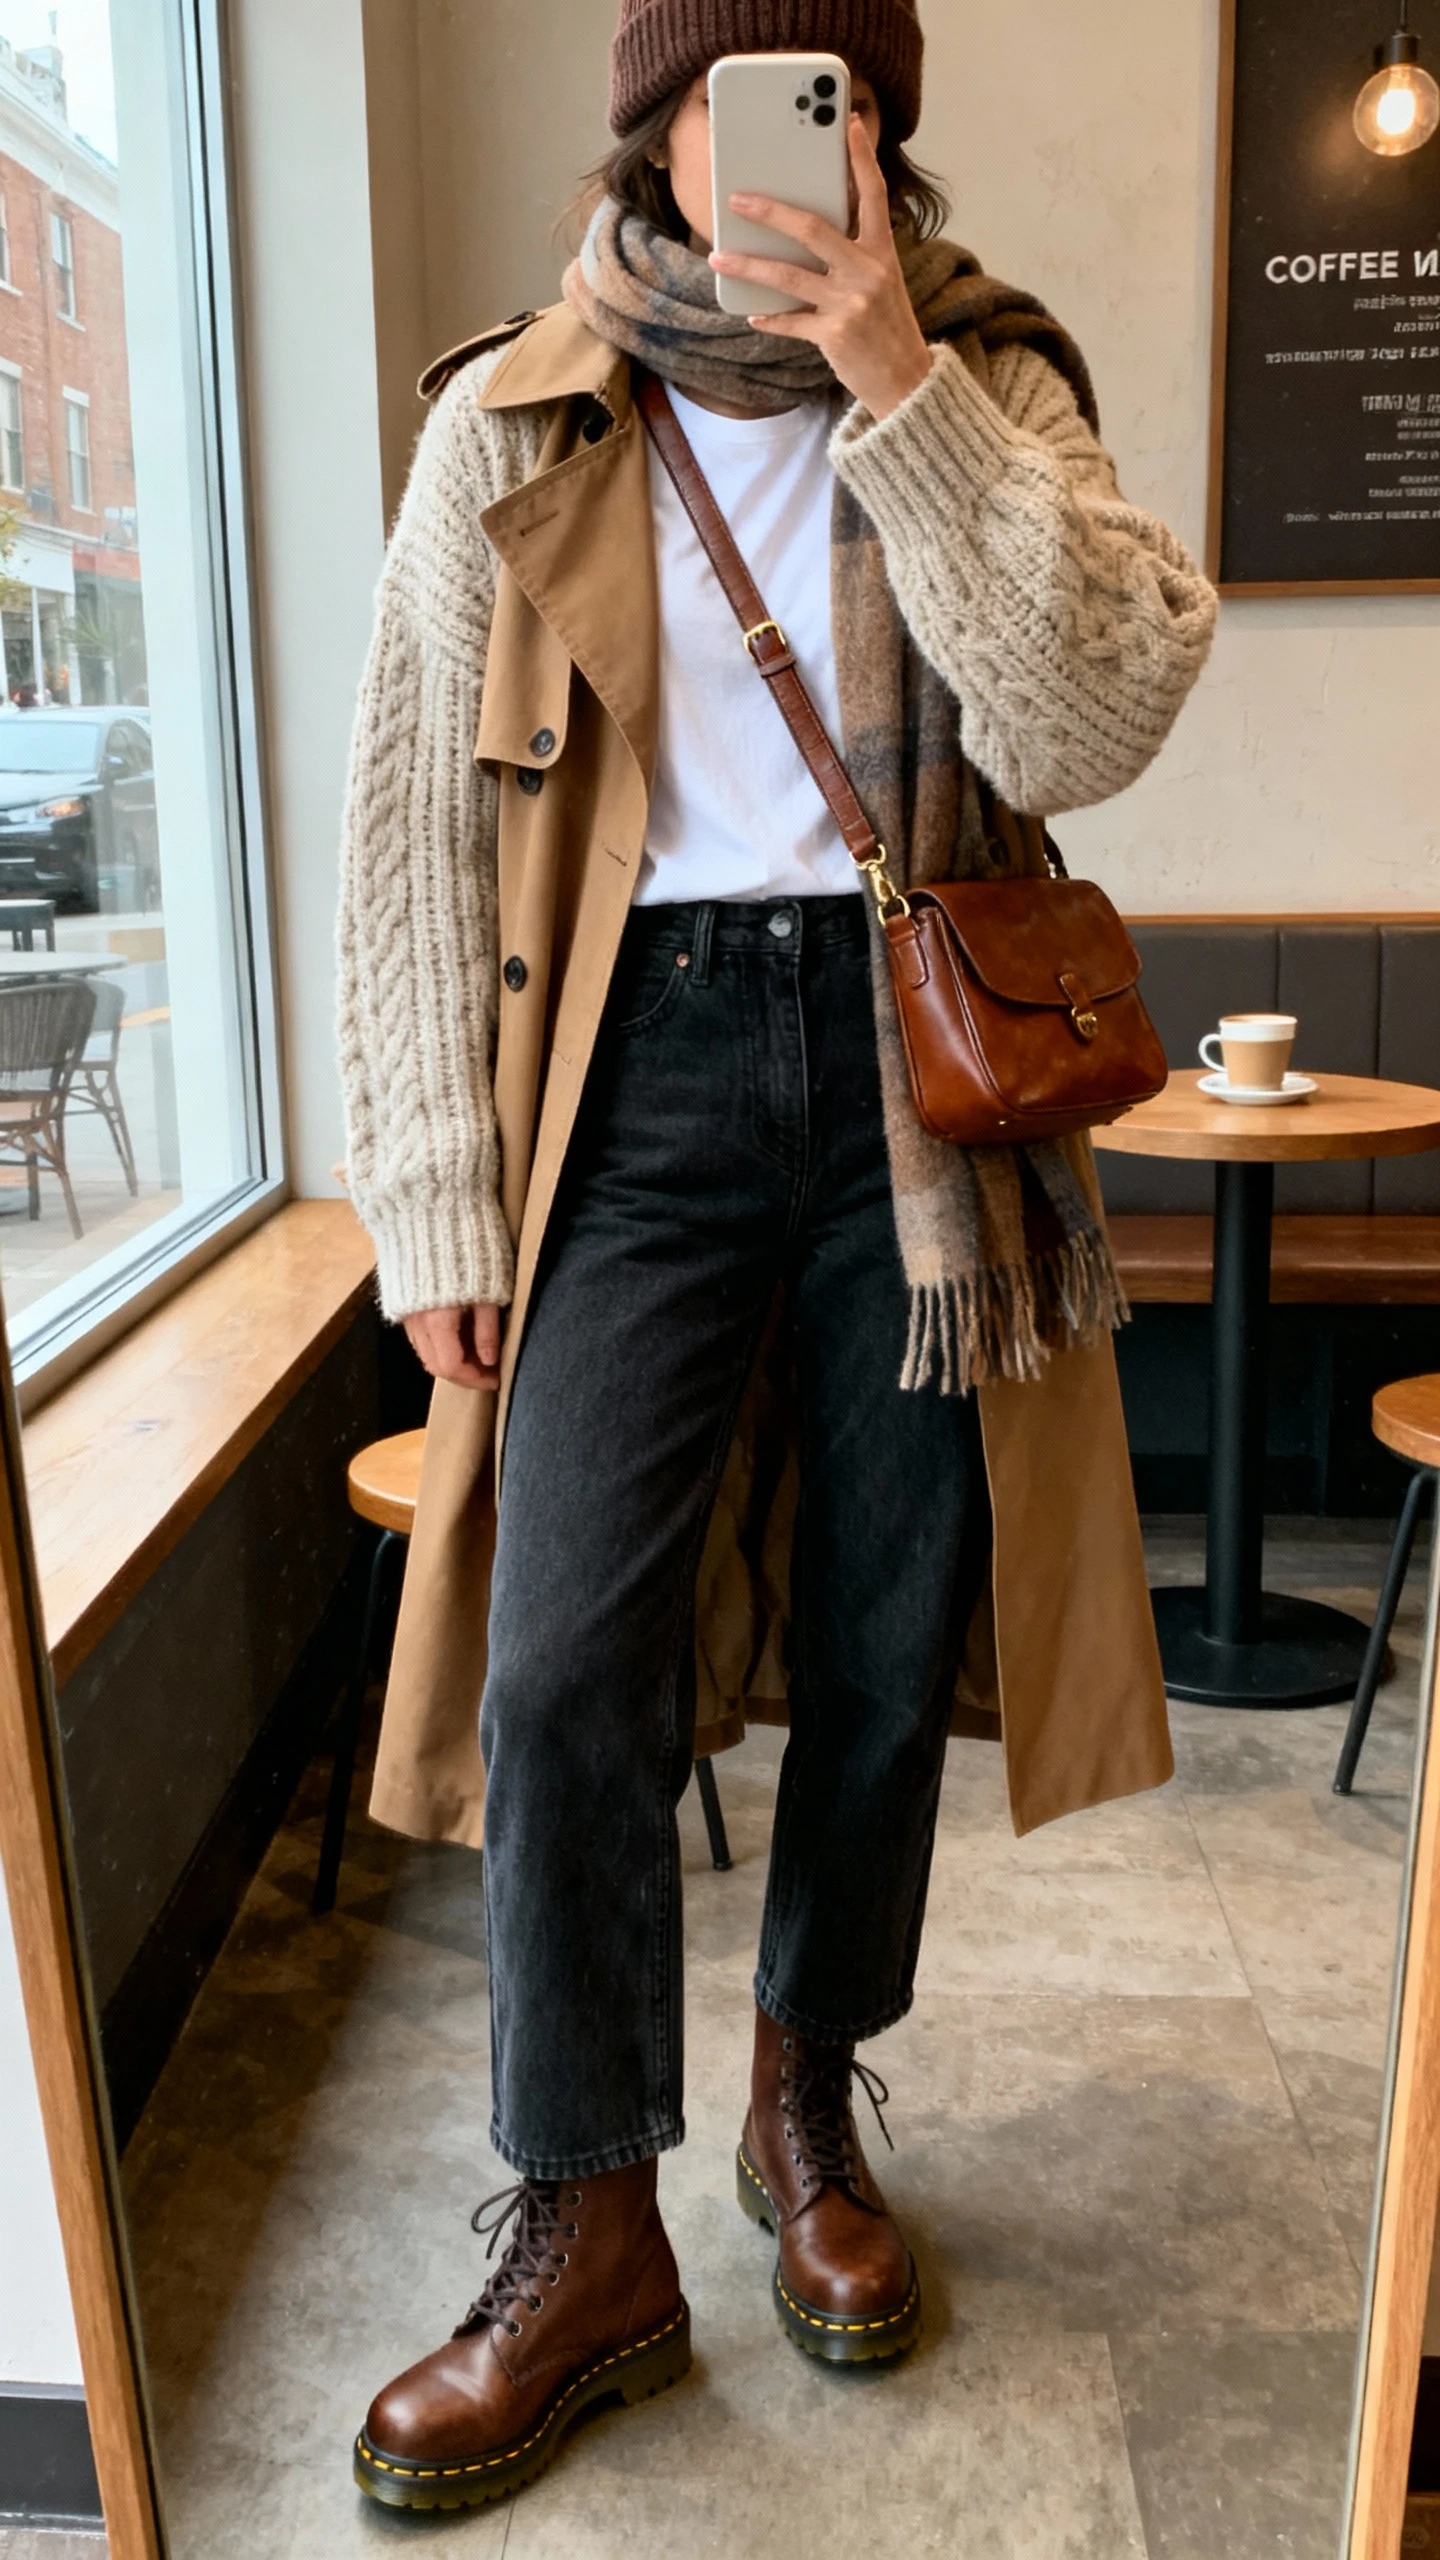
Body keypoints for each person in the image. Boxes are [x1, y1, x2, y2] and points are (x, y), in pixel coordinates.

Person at [337, 0, 1216, 2513]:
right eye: (727, 112)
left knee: (880, 1621)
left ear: (881, 131)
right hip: (621, 1074)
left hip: (912, 1089)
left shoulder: (984, 372)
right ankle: (584, 2217)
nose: (769, 163)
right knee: (564, 1652)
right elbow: (407, 812)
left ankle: (808, 2099)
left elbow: (1097, 703)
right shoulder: (509, 407)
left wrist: (896, 384)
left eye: (822, 108)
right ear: (652, 131)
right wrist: (426, 1185)